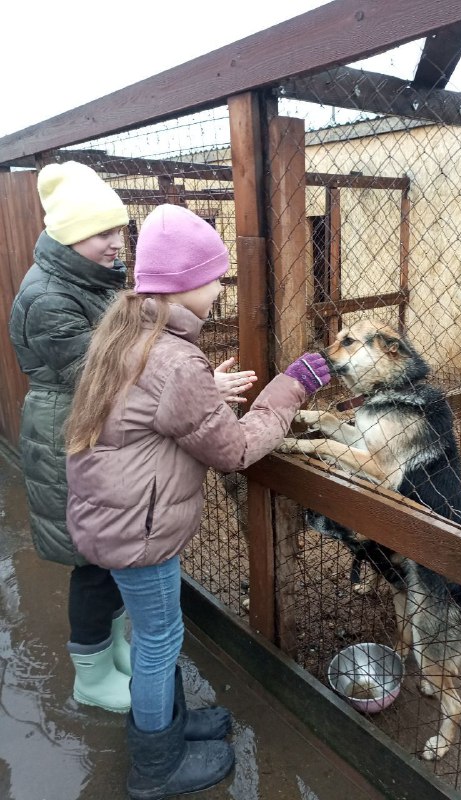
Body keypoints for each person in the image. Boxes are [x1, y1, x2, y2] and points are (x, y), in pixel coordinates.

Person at [64, 203, 330, 800]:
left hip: (118, 518)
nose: (218, 289)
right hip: (141, 532)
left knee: (156, 632)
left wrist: (206, 389)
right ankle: (155, 768)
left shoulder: (131, 331)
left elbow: (153, 407)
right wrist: (288, 389)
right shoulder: (176, 358)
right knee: (159, 641)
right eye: (216, 278)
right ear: (186, 284)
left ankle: (174, 729)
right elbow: (234, 449)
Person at [8, 160, 134, 713]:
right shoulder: (49, 297)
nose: (117, 243)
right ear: (68, 234)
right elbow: (99, 375)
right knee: (90, 563)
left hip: (86, 432)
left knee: (105, 556)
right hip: (66, 438)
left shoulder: (87, 279)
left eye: (119, 229)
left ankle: (112, 653)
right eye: (103, 232)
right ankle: (91, 673)